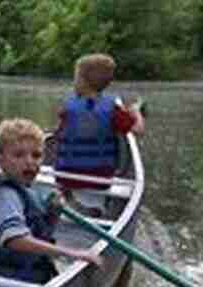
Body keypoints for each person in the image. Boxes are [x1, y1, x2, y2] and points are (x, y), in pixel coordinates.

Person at [0, 118, 103, 287]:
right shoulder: (4, 194)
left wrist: (52, 213)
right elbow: (15, 240)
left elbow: (38, 232)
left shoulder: (25, 187)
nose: (29, 162)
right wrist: (72, 253)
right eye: (18, 155)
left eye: (36, 155)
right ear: (0, 159)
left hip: (22, 280)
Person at [53, 53, 144, 216]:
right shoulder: (113, 109)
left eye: (75, 78)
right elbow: (138, 130)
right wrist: (136, 113)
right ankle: (92, 209)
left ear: (82, 81)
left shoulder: (67, 107)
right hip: (99, 179)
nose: (74, 82)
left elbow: (59, 133)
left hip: (65, 176)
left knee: (67, 183)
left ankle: (69, 202)